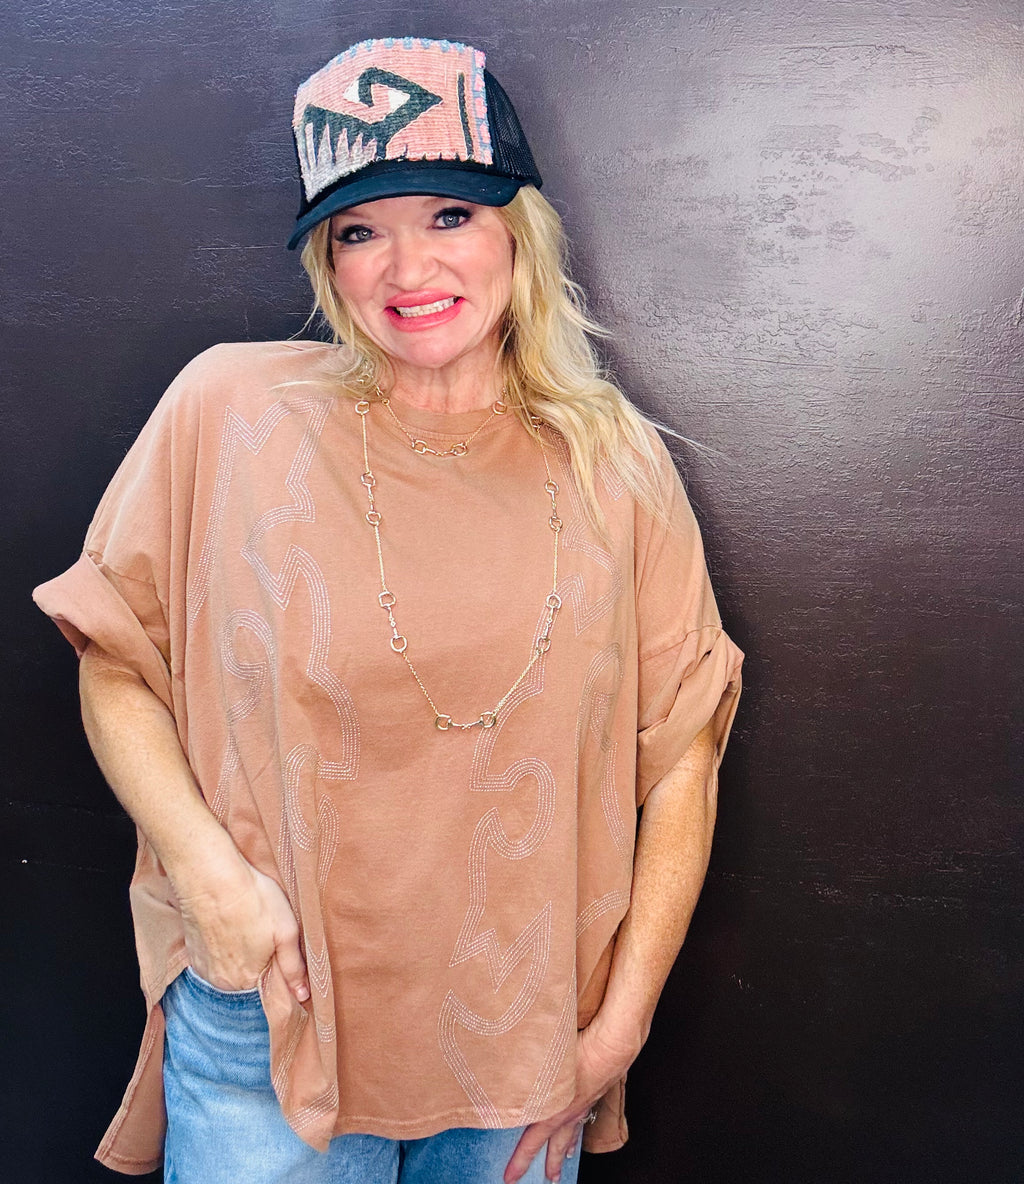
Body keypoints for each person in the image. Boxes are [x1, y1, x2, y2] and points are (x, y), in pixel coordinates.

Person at [33, 36, 742, 1184]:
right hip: (276, 1020)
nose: (407, 267)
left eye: (449, 214)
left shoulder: (614, 463)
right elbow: (114, 662)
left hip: (524, 1042)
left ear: (519, 230)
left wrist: (617, 1031)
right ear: (328, 260)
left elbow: (683, 760)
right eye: (358, 231)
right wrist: (210, 880)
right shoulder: (231, 410)